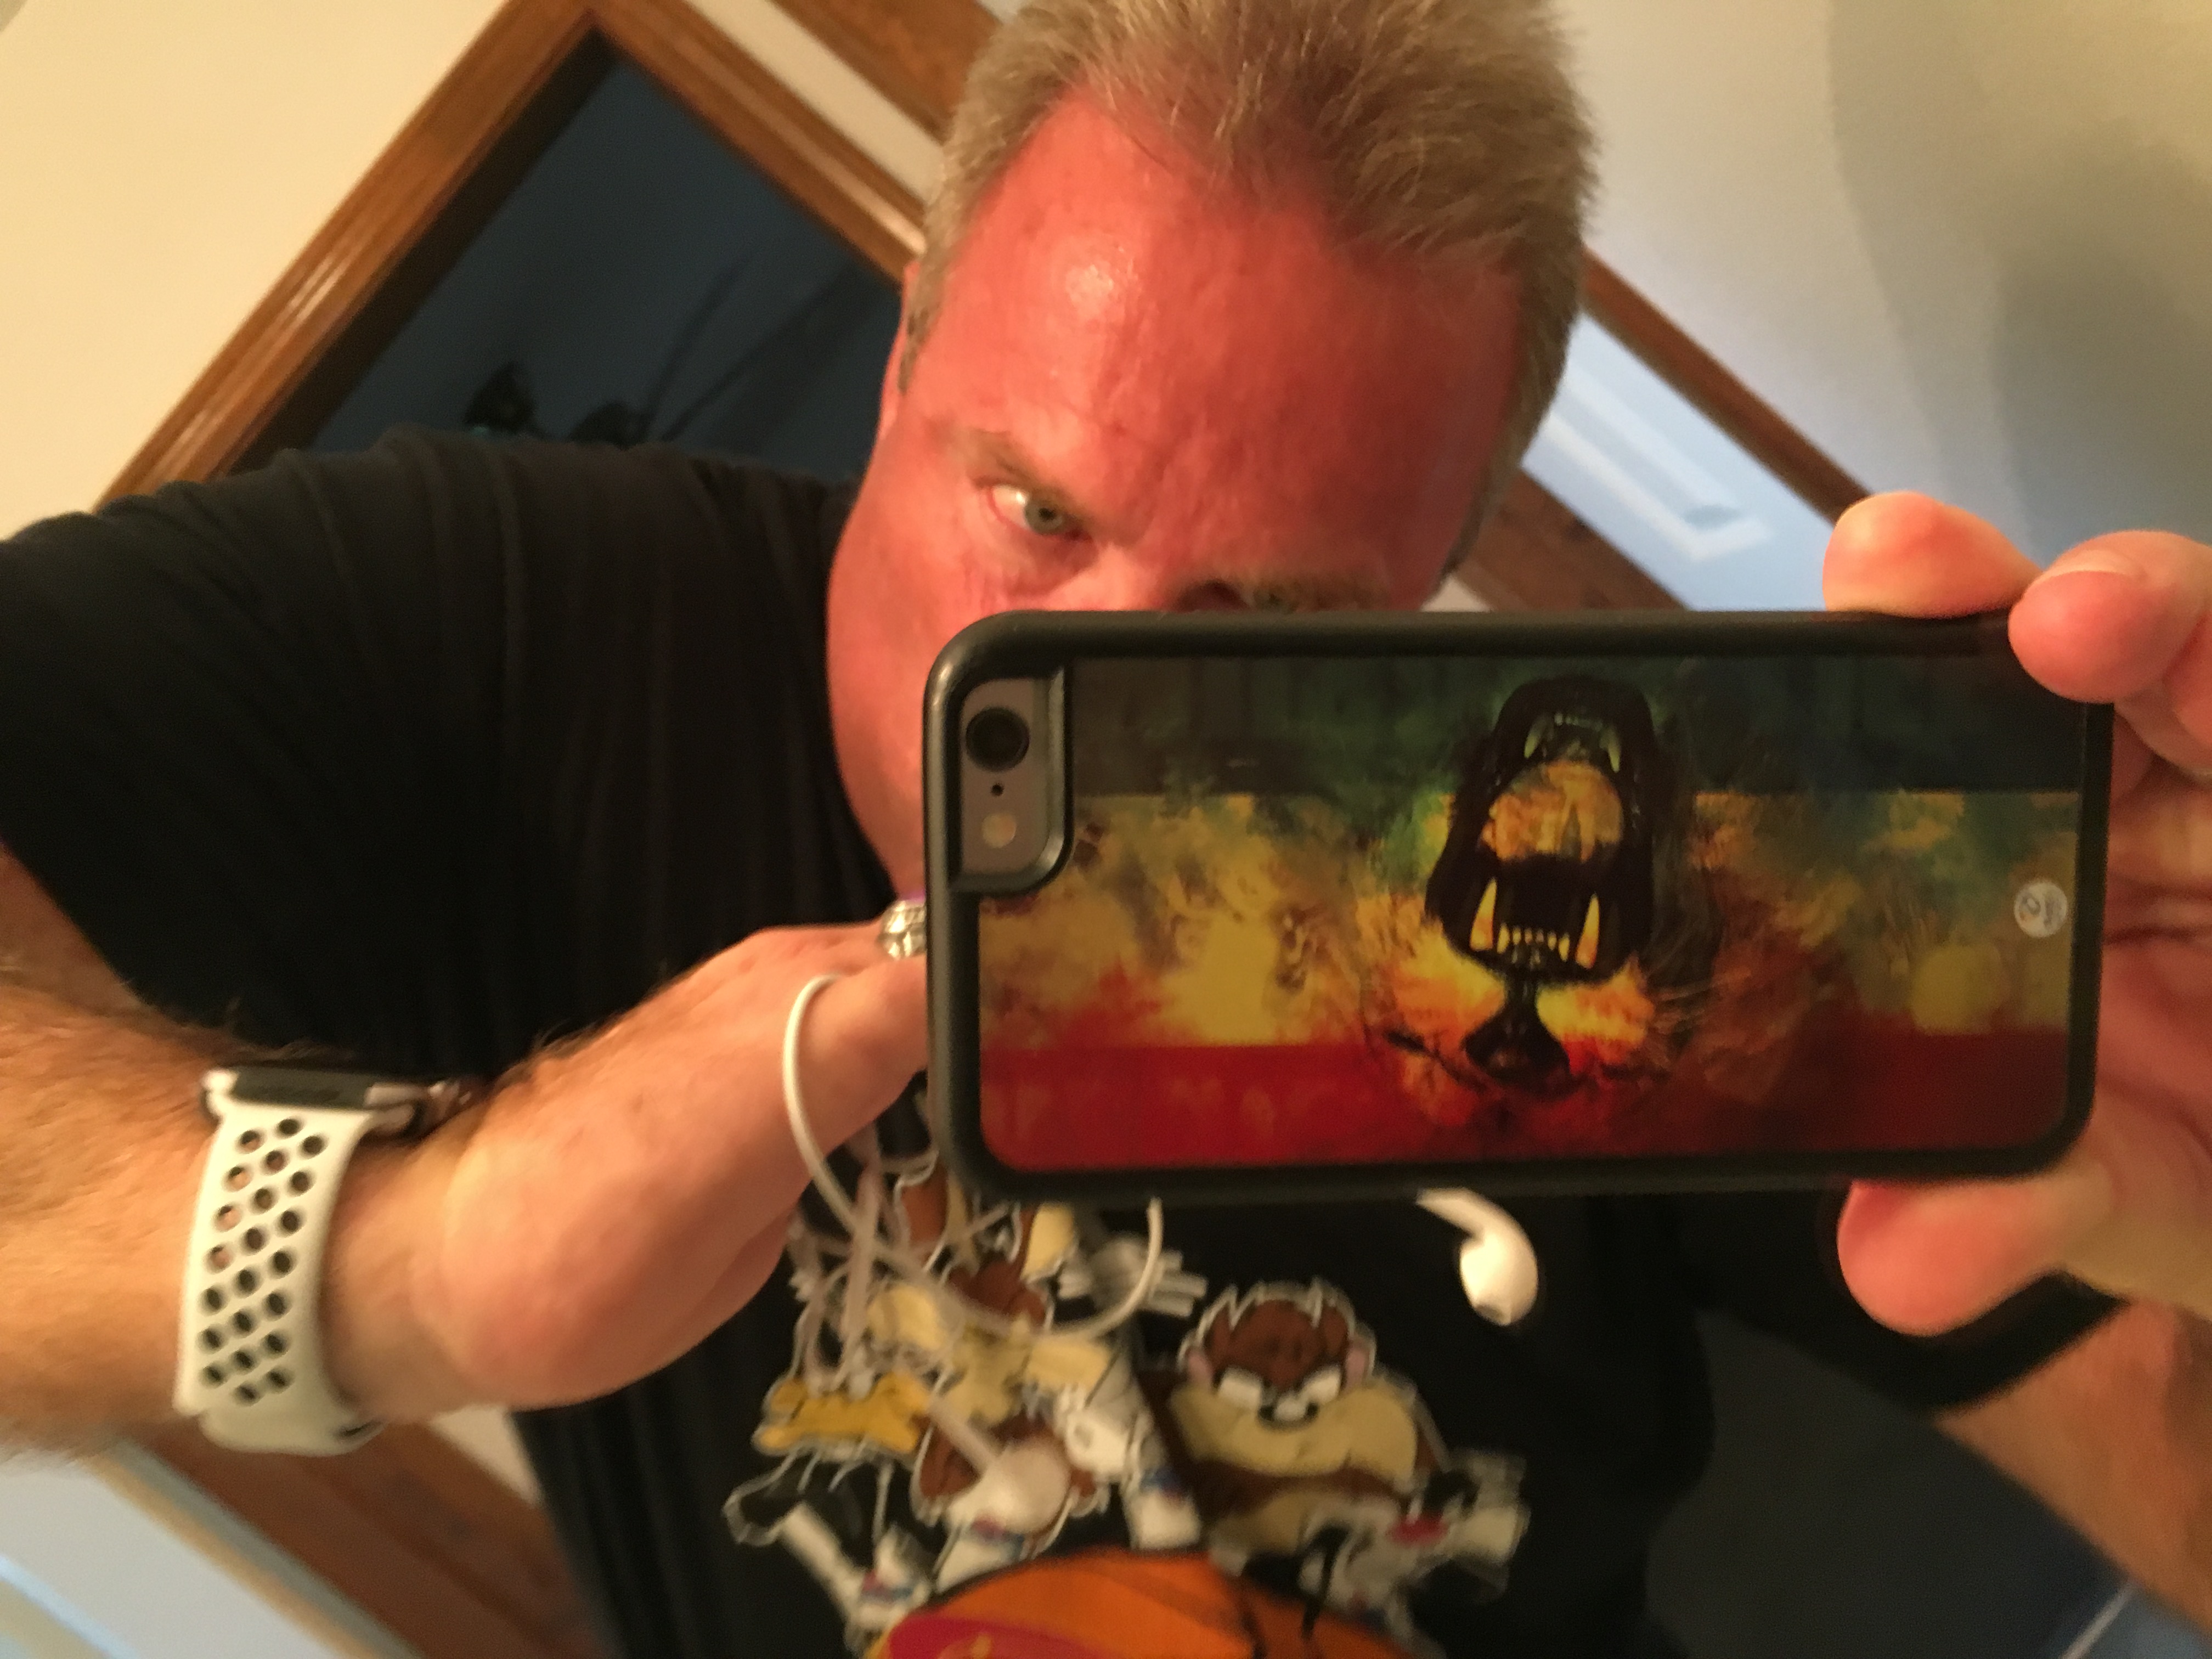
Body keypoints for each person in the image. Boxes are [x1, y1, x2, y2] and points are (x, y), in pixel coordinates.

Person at [1, 0, 2208, 1653]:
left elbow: (2153, 1437)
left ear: (1438, 577)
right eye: (1037, 508)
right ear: (905, 349)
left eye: (1280, 625)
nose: (1104, 706)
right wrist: (399, 1258)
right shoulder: (512, 632)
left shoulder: (1578, 864)